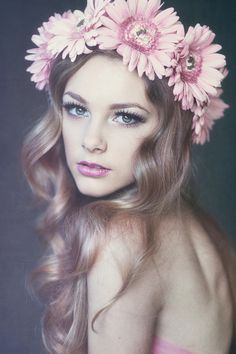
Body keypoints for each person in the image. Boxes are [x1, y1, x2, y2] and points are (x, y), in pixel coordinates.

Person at [22, 0, 236, 353]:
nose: (91, 141)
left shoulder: (122, 240)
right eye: (77, 109)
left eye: (126, 117)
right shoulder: (204, 230)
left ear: (170, 130)